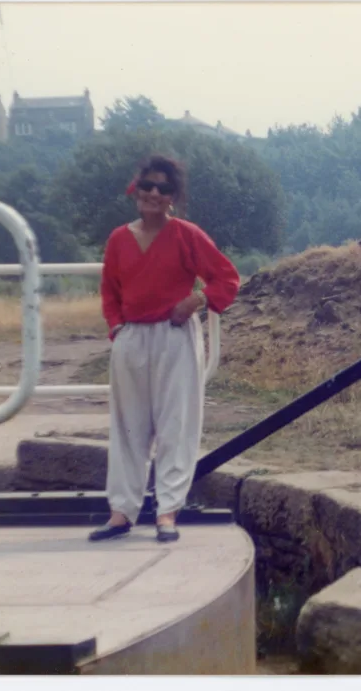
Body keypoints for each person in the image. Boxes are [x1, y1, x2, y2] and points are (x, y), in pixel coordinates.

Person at [90, 155, 240, 543]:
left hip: (174, 337)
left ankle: (167, 512)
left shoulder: (186, 235)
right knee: (127, 427)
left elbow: (226, 278)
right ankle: (121, 512)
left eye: (164, 188)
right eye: (148, 186)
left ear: (173, 197)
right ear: (136, 190)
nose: (154, 193)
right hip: (132, 339)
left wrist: (197, 300)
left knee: (177, 424)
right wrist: (117, 328)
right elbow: (109, 292)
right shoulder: (118, 239)